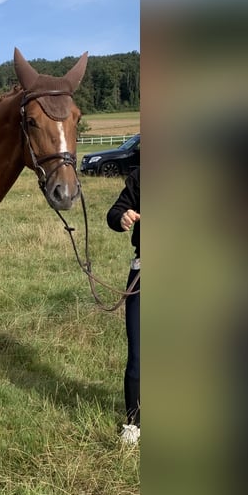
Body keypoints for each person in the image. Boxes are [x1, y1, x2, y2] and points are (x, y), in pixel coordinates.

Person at [106, 166, 140, 444]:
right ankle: (134, 423)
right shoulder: (142, 177)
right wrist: (123, 217)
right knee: (138, 354)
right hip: (144, 274)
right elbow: (115, 213)